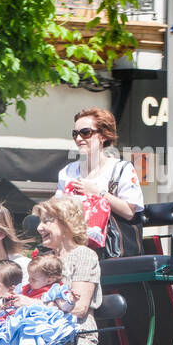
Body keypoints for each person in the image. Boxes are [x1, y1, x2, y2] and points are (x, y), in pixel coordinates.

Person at [57, 107, 145, 256]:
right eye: (75, 134)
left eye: (85, 132)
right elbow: (56, 210)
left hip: (107, 249)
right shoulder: (68, 172)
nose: (79, 139)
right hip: (71, 246)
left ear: (103, 135)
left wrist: (98, 193)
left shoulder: (121, 169)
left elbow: (129, 212)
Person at [31, 196, 102, 345]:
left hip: (75, 335)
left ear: (66, 223)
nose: (39, 228)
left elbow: (79, 308)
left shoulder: (84, 255)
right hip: (42, 332)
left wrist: (35, 305)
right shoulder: (45, 259)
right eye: (40, 222)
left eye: (47, 221)